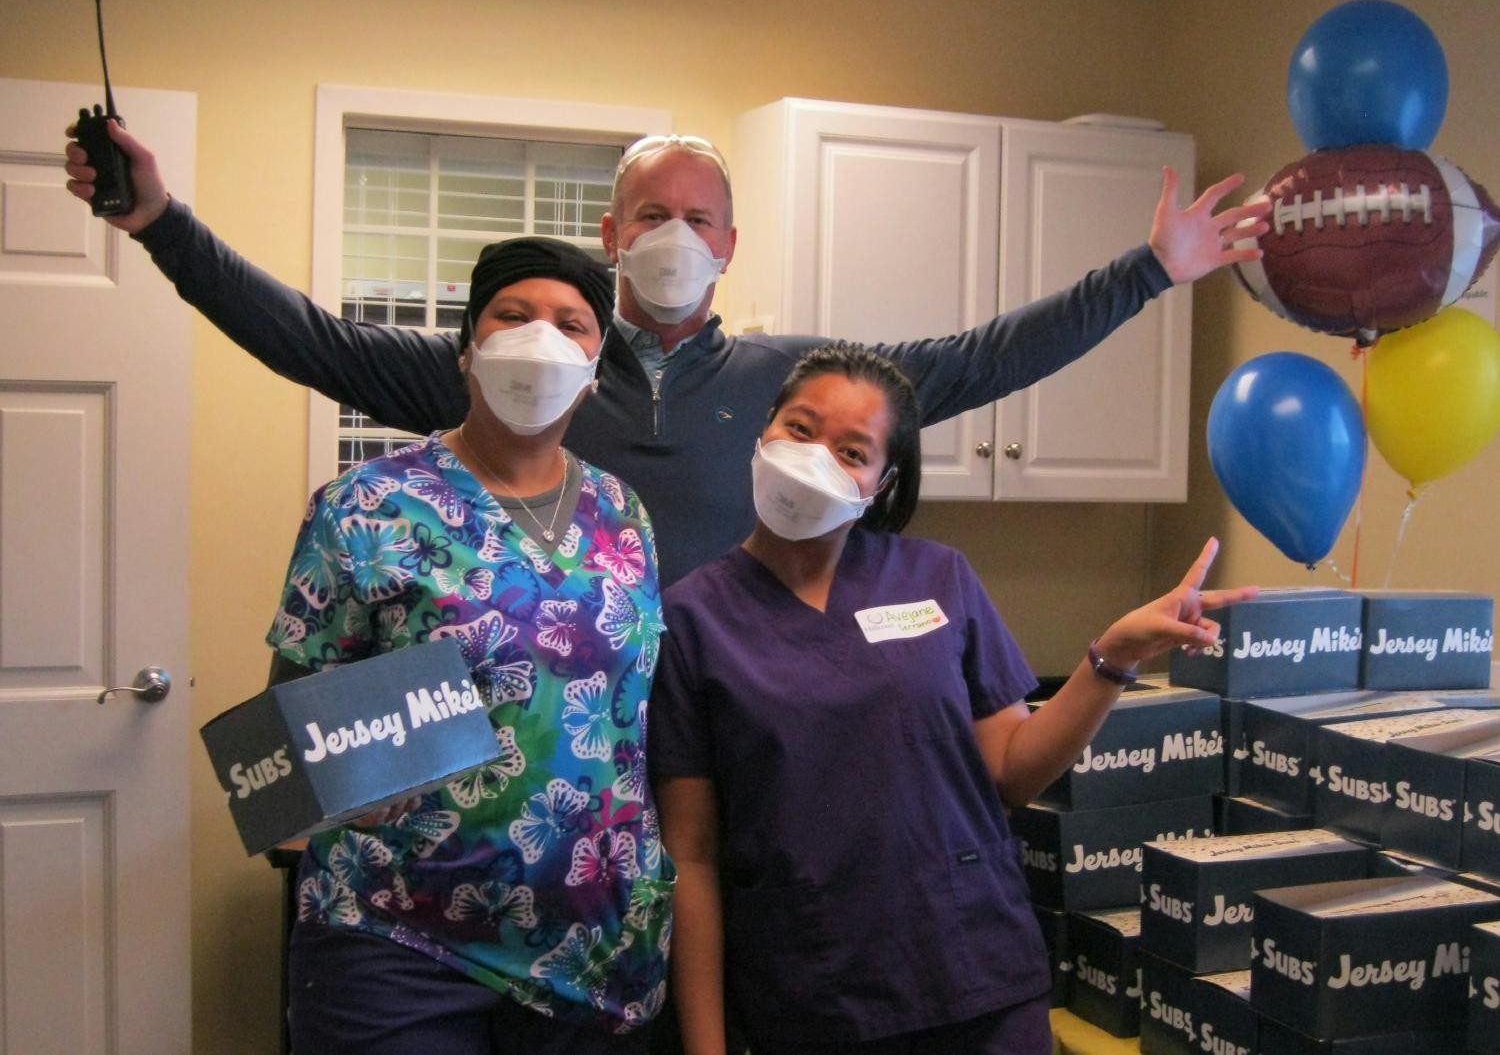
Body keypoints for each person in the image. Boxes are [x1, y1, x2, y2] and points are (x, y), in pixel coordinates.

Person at [64, 124, 1272, 587]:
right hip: (544, 748)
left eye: (700, 218)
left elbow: (974, 361)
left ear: (732, 242)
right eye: (651, 214)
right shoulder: (515, 363)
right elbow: (311, 341)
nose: (675, 236)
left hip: (725, 739)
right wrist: (158, 224)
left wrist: (1150, 272)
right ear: (611, 232)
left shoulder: (795, 385)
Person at [647, 344, 1258, 1054]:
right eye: (801, 428)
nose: (816, 459)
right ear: (764, 432)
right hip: (810, 993)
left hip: (976, 976)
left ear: (882, 480)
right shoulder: (692, 618)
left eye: (852, 450)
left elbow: (1011, 773)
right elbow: (690, 856)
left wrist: (1111, 659)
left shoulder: (939, 577)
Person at [268, 236, 671, 1053]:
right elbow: (285, 740)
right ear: (467, 350)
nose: (541, 339)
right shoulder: (368, 505)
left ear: (597, 366)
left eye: (572, 324)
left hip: (593, 945)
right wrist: (332, 778)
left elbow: (629, 722)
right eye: (512, 316)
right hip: (397, 938)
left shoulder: (622, 513)